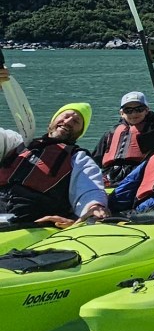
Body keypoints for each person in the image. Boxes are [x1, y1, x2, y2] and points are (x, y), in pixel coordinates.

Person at [0, 84, 107, 227]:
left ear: (80, 133)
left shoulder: (79, 158)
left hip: (31, 219)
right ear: (52, 121)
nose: (68, 122)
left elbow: (90, 188)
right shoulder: (16, 143)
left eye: (76, 122)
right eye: (66, 116)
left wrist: (94, 207)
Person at [91, 91, 154, 187]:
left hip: (138, 175)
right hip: (110, 176)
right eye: (128, 110)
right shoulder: (111, 133)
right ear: (122, 113)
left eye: (139, 109)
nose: (134, 114)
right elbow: (94, 160)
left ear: (146, 110)